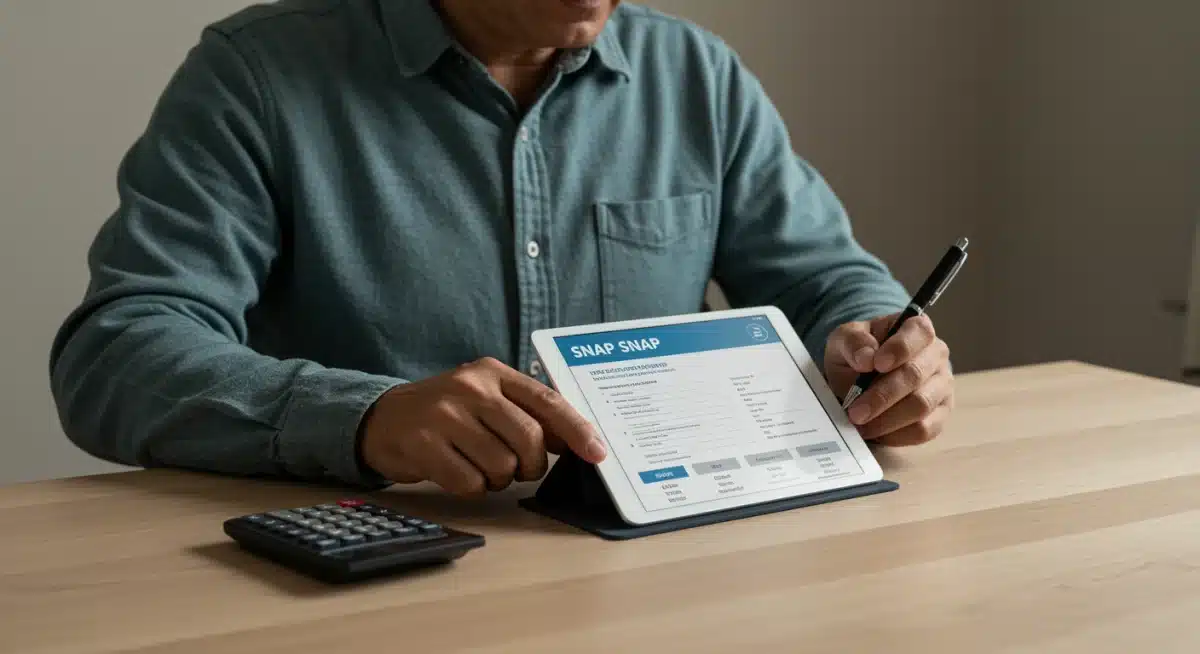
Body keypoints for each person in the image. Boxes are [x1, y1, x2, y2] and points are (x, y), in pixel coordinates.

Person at [48, 0, 955, 498]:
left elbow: (822, 274)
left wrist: (871, 339)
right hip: (376, 581)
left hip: (660, 573)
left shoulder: (697, 75)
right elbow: (117, 352)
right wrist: (366, 418)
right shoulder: (256, 76)